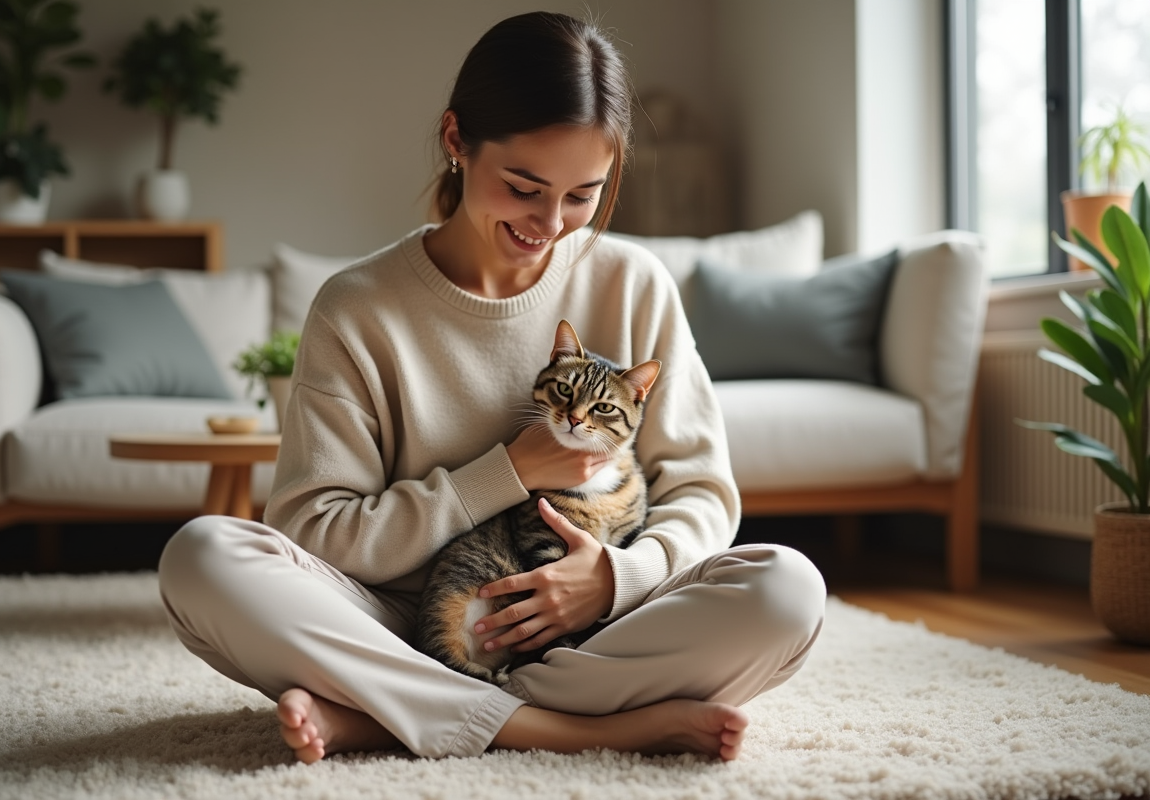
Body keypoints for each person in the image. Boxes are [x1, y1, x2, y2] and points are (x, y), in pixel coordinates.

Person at [157, 10, 826, 764]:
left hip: (598, 623)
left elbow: (703, 495)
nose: (551, 223)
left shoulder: (634, 283)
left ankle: (389, 716)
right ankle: (578, 730)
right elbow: (314, 529)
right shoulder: (356, 308)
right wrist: (507, 473)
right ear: (455, 142)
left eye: (583, 195)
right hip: (400, 624)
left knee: (788, 590)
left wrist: (613, 579)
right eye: (524, 187)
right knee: (202, 558)